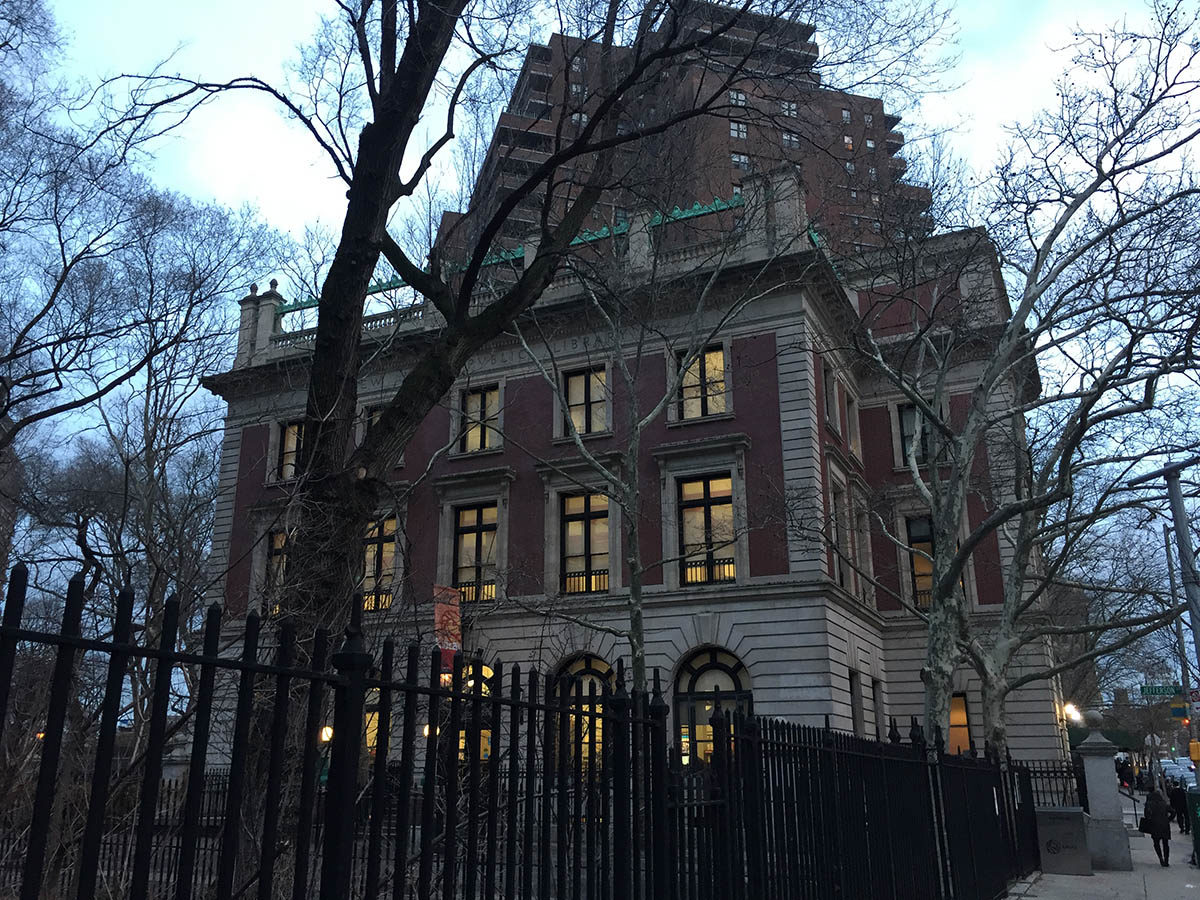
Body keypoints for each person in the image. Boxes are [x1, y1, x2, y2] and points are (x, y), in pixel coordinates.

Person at [1145, 790, 1173, 866]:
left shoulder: (1149, 804)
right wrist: (1168, 819)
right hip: (1164, 825)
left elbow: (1146, 815)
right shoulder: (1164, 804)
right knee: (1165, 843)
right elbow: (1173, 812)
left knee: (1156, 843)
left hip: (1154, 825)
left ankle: (1160, 857)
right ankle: (1166, 860)